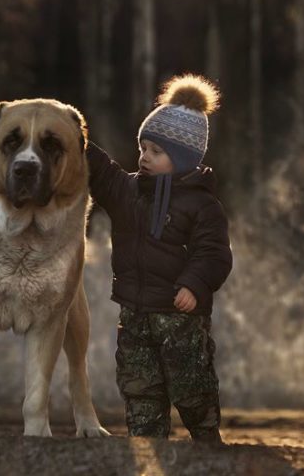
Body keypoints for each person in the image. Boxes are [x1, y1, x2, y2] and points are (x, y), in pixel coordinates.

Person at [86, 74, 233, 443]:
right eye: (143, 147)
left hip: (179, 317)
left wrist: (194, 284)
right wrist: (76, 139)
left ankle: (206, 437)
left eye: (156, 151)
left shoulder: (202, 205)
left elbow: (213, 254)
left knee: (191, 383)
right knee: (139, 383)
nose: (144, 157)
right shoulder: (129, 190)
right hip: (134, 312)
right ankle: (147, 440)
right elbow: (102, 174)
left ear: (182, 160)